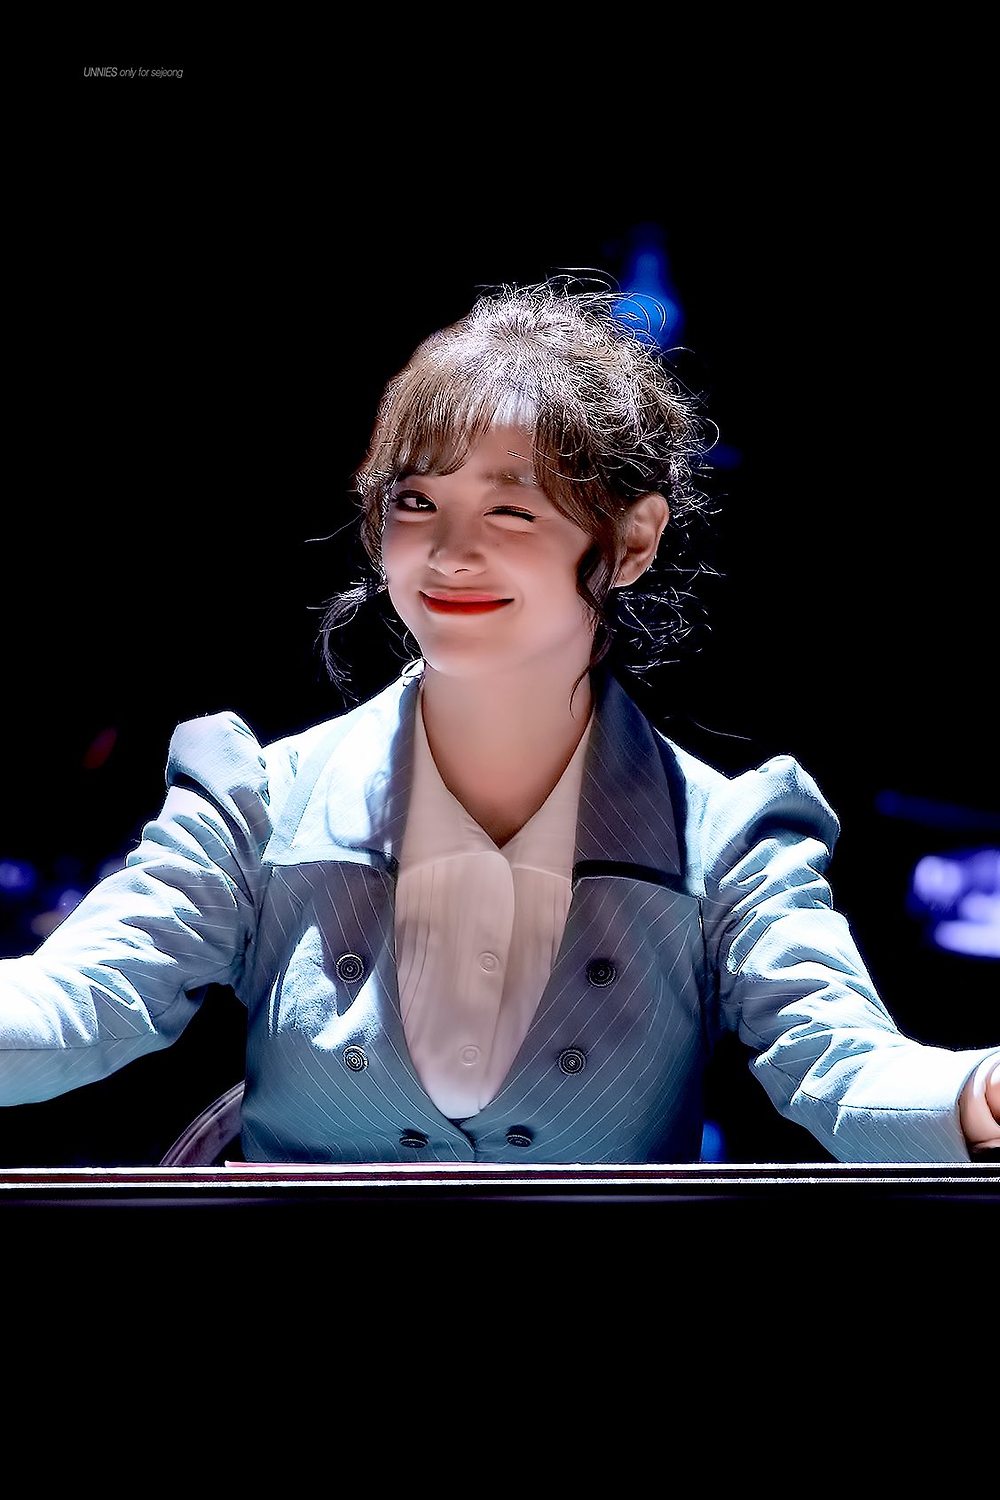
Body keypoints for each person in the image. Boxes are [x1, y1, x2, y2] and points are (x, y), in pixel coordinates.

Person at [1, 277, 998, 1164]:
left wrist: (977, 1092)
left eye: (511, 513)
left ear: (632, 539)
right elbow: (79, 999)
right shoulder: (256, 804)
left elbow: (846, 1065)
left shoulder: (729, 843)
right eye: (414, 504)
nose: (447, 555)